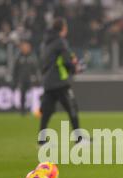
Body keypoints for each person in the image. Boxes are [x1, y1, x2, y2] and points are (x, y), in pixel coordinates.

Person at [38, 17, 84, 145]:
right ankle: (79, 139)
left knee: (47, 111)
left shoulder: (46, 43)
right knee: (72, 108)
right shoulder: (60, 42)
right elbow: (66, 60)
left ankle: (41, 140)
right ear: (63, 28)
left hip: (48, 81)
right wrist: (75, 68)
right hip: (60, 82)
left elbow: (46, 62)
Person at [13, 41, 39, 116]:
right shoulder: (18, 57)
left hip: (31, 80)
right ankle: (22, 111)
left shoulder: (33, 57)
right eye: (23, 47)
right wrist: (15, 79)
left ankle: (33, 109)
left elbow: (36, 69)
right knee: (22, 96)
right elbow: (15, 70)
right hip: (22, 80)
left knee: (33, 95)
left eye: (26, 47)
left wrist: (37, 78)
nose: (25, 49)